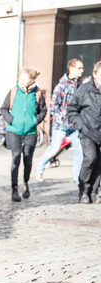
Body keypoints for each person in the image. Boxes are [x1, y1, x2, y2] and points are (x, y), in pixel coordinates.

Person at [0, 67, 47, 202]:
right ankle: (14, 188)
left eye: (25, 78)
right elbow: (3, 108)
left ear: (32, 80)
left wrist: (34, 121)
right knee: (16, 157)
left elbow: (43, 110)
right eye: (21, 78)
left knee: (27, 159)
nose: (22, 80)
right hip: (14, 130)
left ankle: (25, 183)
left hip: (30, 132)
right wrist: (11, 120)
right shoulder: (14, 91)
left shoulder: (37, 93)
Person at [36, 58, 84, 183]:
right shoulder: (61, 85)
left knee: (79, 150)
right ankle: (39, 169)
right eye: (79, 68)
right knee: (54, 148)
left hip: (75, 125)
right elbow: (53, 106)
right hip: (61, 125)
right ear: (72, 68)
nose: (82, 71)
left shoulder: (80, 85)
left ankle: (77, 177)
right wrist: (62, 118)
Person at [67, 60, 101, 204]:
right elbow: (72, 110)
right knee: (90, 158)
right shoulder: (84, 90)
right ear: (94, 74)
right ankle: (84, 190)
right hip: (87, 132)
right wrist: (80, 126)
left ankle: (94, 192)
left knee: (99, 163)